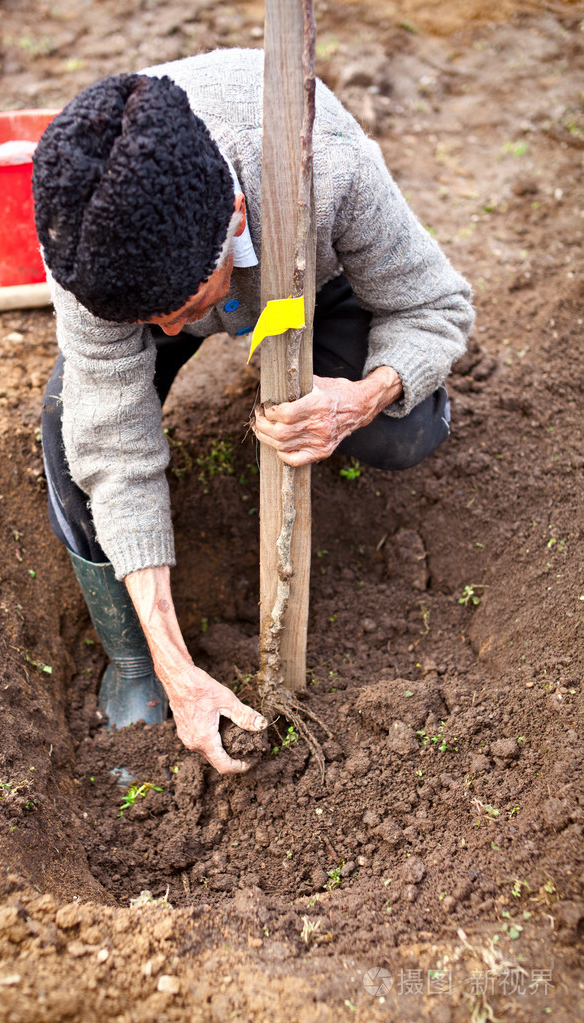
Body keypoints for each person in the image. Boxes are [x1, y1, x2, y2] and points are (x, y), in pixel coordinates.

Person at [32, 48, 474, 776]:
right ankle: (135, 662)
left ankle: (351, 384)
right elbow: (114, 439)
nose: (172, 333)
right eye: (152, 319)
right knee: (73, 442)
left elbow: (435, 305)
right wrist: (178, 668)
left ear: (234, 213)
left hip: (307, 277)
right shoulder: (83, 236)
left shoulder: (326, 164)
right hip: (175, 279)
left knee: (404, 429)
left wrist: (360, 398)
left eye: (181, 311)